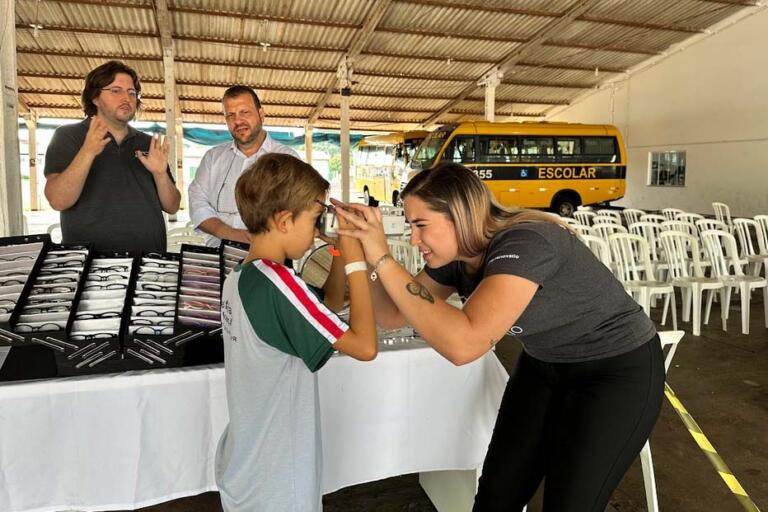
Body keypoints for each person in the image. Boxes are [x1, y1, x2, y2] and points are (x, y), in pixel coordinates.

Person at [336, 162, 665, 512]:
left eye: (421, 225)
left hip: (615, 370)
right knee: (496, 495)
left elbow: (465, 344)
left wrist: (383, 256)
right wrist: (356, 253)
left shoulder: (528, 242)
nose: (414, 239)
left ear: (460, 217)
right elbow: (391, 315)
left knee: (570, 504)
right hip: (545, 365)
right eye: (410, 226)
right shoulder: (458, 255)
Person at [215, 153, 377, 512]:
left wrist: (336, 248)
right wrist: (356, 262)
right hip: (277, 475)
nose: (317, 230)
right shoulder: (280, 283)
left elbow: (329, 306)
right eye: (314, 219)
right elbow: (365, 346)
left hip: (250, 461)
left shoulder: (243, 276)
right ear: (284, 220)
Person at [43, 60, 181, 252]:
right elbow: (58, 200)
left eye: (132, 92)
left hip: (149, 262)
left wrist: (160, 175)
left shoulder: (147, 142)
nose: (127, 98)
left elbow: (173, 206)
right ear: (95, 97)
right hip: (92, 267)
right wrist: (88, 151)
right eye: (116, 90)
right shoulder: (68, 136)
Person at [188, 85, 300, 247]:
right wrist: (227, 233)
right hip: (218, 252)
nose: (238, 121)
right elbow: (197, 200)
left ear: (261, 114)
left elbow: (297, 210)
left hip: (269, 254)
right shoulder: (213, 157)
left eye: (245, 112)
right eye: (230, 115)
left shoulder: (287, 159)